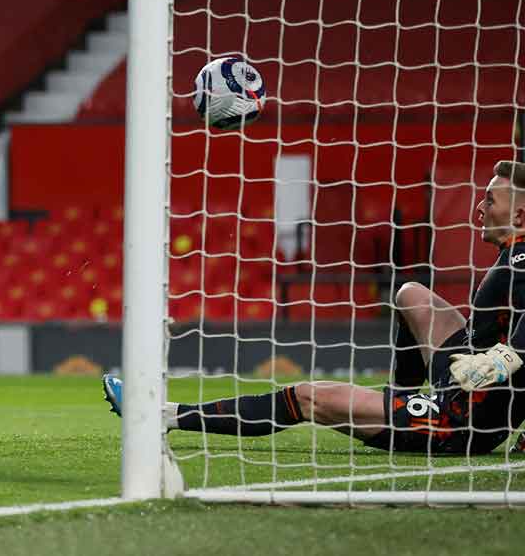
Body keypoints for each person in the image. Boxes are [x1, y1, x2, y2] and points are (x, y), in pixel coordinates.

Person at [103, 160, 525, 455]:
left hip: (463, 418)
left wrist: (506, 357)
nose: (480, 207)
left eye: (491, 200)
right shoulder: (513, 253)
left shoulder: (522, 257)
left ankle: (163, 414)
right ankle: (404, 399)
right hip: (464, 373)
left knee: (309, 397)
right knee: (411, 294)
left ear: (520, 216)